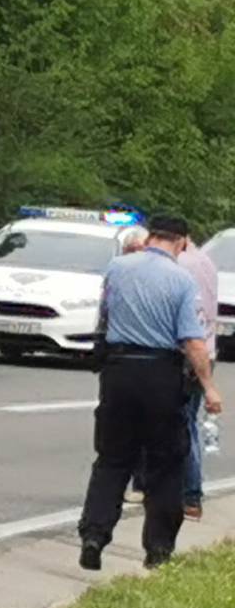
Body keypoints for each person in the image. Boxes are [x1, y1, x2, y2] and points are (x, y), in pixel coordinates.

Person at [79, 214, 221, 572]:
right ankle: (158, 549)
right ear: (182, 242)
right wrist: (208, 386)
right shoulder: (181, 281)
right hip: (161, 374)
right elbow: (192, 341)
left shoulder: (117, 267)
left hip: (118, 372)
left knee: (111, 460)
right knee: (165, 464)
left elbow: (106, 315)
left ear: (151, 236)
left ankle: (94, 535)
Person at [179, 229, 222, 518]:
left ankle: (190, 495)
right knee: (189, 424)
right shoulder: (206, 261)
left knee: (182, 426)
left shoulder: (180, 264)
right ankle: (191, 496)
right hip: (208, 349)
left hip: (189, 353)